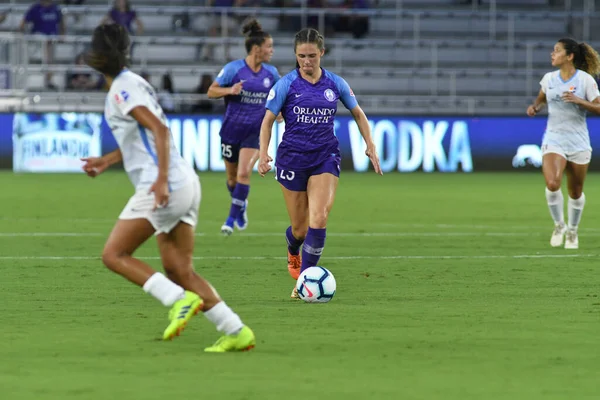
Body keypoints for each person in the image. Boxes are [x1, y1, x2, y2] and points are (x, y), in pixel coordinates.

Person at [81, 23, 255, 352]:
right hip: (184, 182)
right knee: (178, 268)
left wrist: (160, 180)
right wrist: (107, 160)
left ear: (97, 55)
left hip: (165, 184)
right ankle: (235, 330)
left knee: (114, 254)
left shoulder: (122, 88)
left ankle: (177, 300)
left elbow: (159, 130)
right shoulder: (133, 83)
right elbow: (146, 136)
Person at [257, 28, 382, 299]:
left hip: (325, 156)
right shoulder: (286, 85)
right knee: (300, 229)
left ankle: (305, 280)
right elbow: (267, 120)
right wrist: (263, 152)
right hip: (292, 159)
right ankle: (293, 251)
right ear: (295, 55)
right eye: (301, 56)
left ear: (321, 53)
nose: (307, 61)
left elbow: (358, 113)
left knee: (320, 218)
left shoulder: (335, 84)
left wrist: (369, 143)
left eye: (312, 55)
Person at [207, 18, 280, 236]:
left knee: (244, 173)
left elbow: (280, 96)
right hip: (231, 131)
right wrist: (230, 91)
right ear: (257, 49)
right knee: (231, 179)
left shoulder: (271, 74)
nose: (272, 51)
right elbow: (211, 91)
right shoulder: (233, 69)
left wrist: (280, 112)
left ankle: (230, 220)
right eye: (269, 46)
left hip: (255, 132)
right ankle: (241, 205)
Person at [527, 37, 600, 250]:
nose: (552, 54)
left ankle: (573, 230)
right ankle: (559, 225)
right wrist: (536, 107)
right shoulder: (549, 79)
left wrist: (580, 101)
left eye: (556, 51)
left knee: (575, 192)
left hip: (578, 141)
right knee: (552, 183)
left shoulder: (585, 81)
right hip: (554, 138)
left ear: (569, 56)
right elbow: (541, 98)